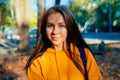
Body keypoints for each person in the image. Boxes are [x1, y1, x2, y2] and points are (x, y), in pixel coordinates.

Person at [24, 5, 102, 80]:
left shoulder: (84, 54)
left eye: (61, 26)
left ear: (69, 27)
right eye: (50, 26)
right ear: (44, 29)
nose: (55, 31)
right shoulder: (37, 63)